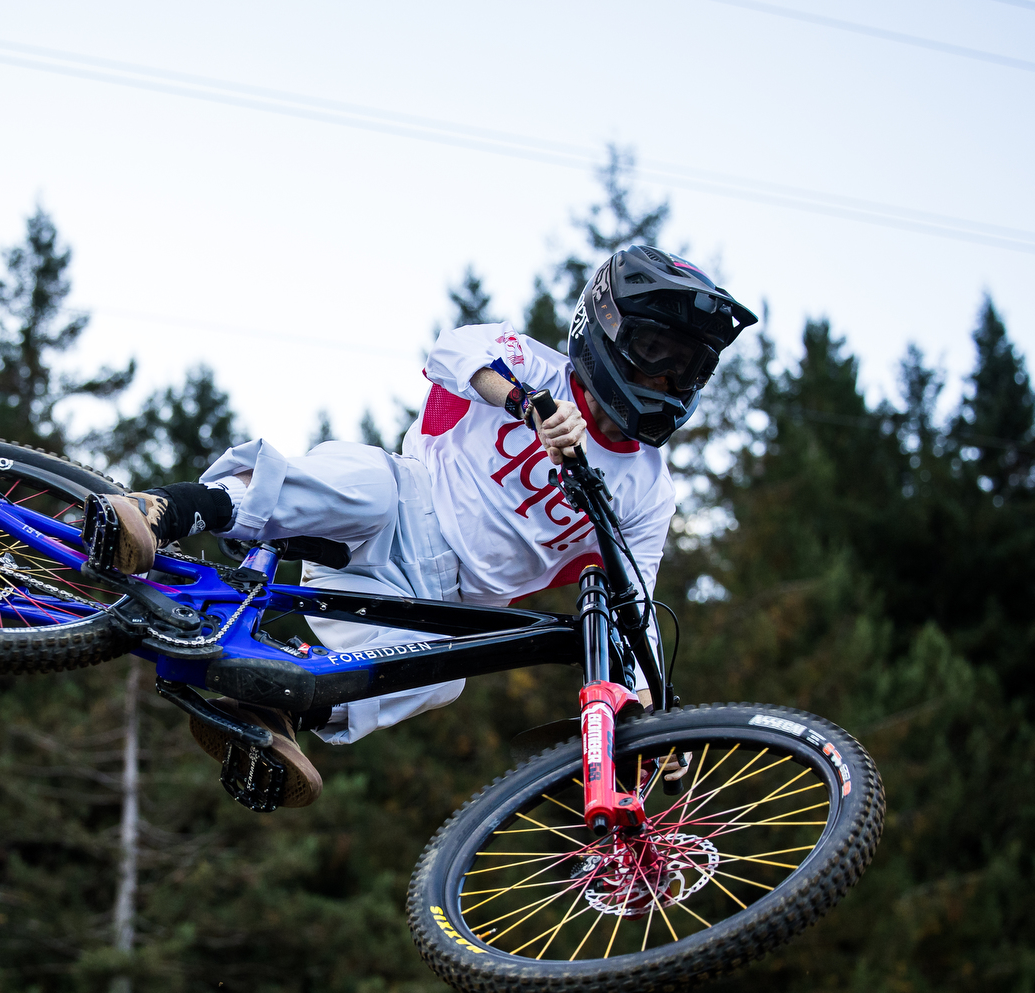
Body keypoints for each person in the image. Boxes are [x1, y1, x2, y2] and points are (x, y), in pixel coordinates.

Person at [91, 246, 758, 808]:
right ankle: (163, 512)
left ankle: (278, 705)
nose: (668, 377)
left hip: (444, 606)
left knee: (442, 680)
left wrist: (649, 711)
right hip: (406, 504)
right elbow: (451, 352)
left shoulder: (648, 487)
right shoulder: (532, 363)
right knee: (364, 482)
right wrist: (528, 406)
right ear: (606, 328)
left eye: (688, 367)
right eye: (654, 351)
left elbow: (632, 602)